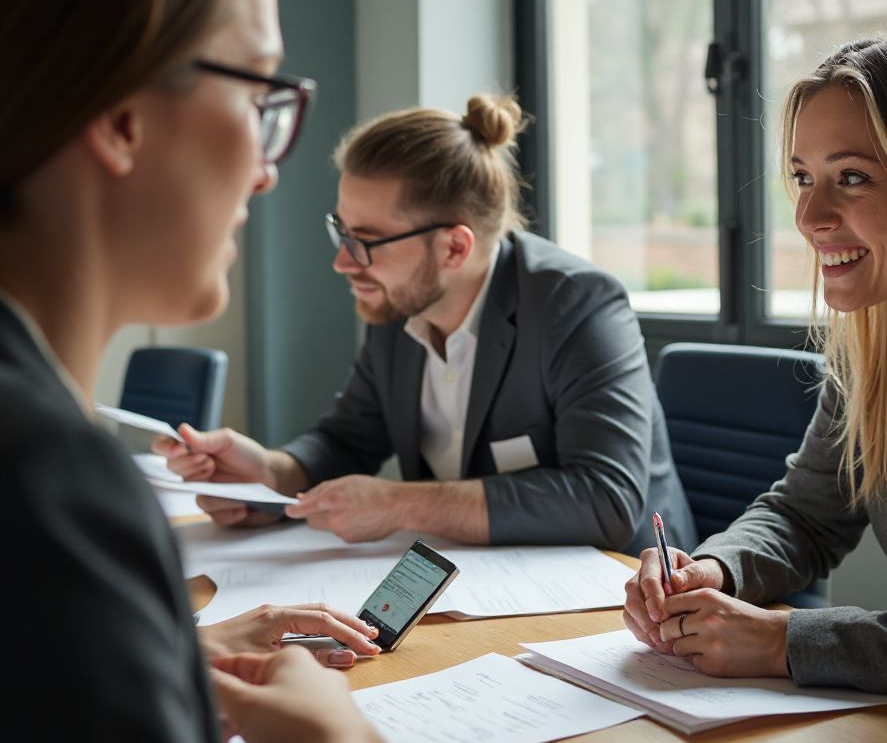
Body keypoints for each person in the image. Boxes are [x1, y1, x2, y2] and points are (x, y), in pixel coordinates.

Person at [0, 0, 396, 743]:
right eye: (258, 91)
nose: (268, 171)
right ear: (123, 113)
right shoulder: (49, 487)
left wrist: (151, 656)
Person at [622, 28, 887, 710]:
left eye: (853, 178)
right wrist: (711, 570)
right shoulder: (880, 333)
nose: (809, 216)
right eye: (804, 178)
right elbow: (805, 516)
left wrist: (783, 641)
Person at [158, 98, 697, 554]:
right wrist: (272, 474)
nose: (344, 263)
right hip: (476, 584)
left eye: (365, 242)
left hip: (624, 602)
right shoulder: (399, 303)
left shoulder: (576, 304)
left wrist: (398, 503)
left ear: (455, 247)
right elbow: (348, 439)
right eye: (341, 233)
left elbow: (607, 500)